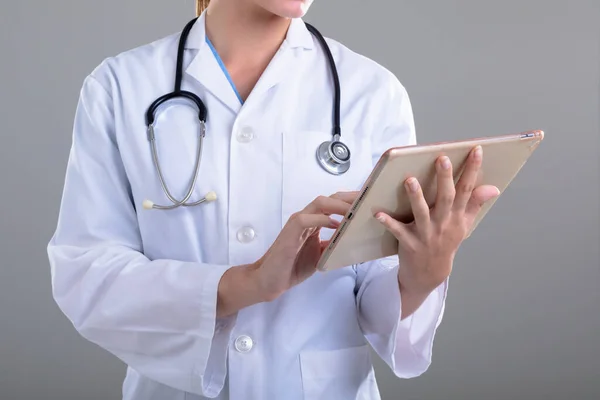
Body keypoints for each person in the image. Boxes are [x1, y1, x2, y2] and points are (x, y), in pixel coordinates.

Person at [47, 0, 500, 399]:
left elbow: (375, 298)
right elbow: (87, 275)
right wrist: (246, 283)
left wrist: (421, 274)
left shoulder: (372, 93)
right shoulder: (119, 87)